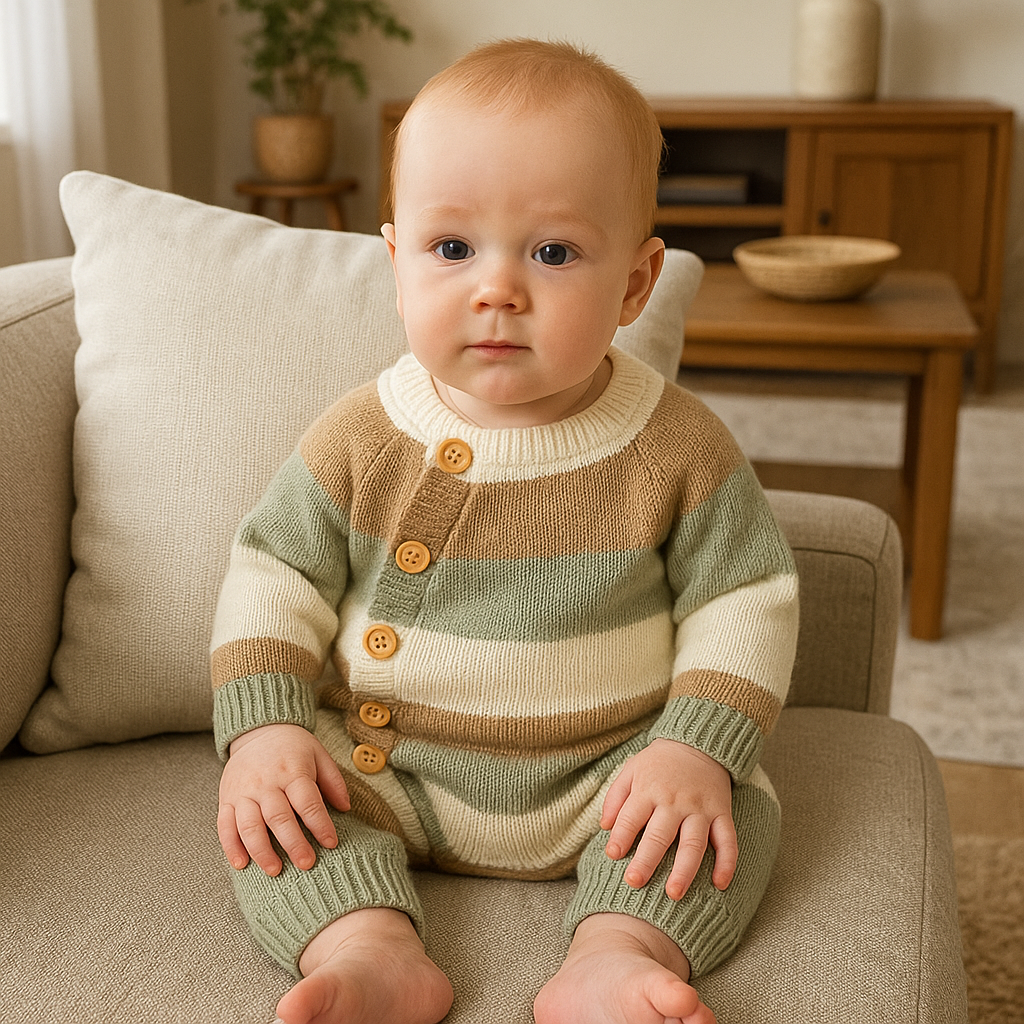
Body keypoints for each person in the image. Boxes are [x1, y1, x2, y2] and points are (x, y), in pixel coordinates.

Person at [211, 38, 799, 1024]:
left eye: (553, 252)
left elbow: (745, 598)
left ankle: (617, 951)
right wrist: (265, 723)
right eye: (452, 249)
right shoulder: (360, 435)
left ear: (634, 285)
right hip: (383, 765)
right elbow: (274, 570)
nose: (497, 289)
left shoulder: (675, 445)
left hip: (613, 775)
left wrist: (692, 748)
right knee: (273, 815)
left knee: (728, 817)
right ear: (396, 261)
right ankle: (367, 945)